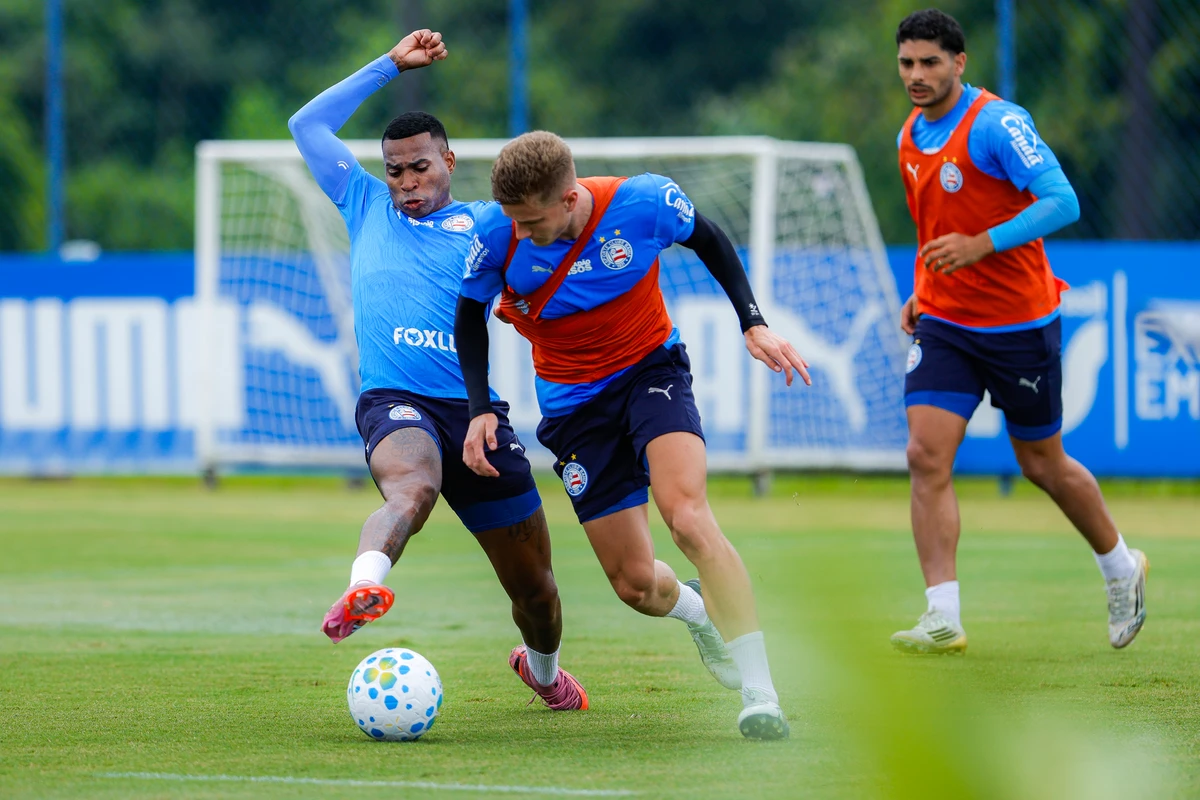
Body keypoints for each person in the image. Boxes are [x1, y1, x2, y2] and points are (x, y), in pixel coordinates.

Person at [453, 131, 811, 740]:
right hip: (572, 411)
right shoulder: (495, 232)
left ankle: (761, 693)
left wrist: (753, 323)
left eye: (533, 220)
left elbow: (711, 239)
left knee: (688, 518)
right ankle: (698, 613)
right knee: (635, 585)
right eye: (513, 220)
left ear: (569, 199)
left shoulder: (643, 204)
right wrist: (481, 407)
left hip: (651, 373)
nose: (522, 232)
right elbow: (469, 316)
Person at [288, 30, 587, 711]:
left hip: (475, 415)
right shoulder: (362, 204)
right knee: (410, 491)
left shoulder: (490, 223)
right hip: (396, 401)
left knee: (536, 590)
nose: (407, 182)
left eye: (420, 167)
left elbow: (553, 252)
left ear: (448, 161)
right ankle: (365, 585)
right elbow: (306, 124)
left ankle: (544, 673)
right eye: (395, 170)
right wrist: (391, 65)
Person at [890, 9, 1148, 655]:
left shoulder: (999, 124)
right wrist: (923, 289)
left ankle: (1121, 567)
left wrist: (983, 245)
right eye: (906, 63)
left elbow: (1064, 200)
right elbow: (932, 228)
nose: (917, 76)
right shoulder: (909, 137)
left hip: (1020, 325)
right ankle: (942, 615)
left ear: (959, 63)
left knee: (1043, 464)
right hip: (947, 322)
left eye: (929, 63)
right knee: (925, 456)